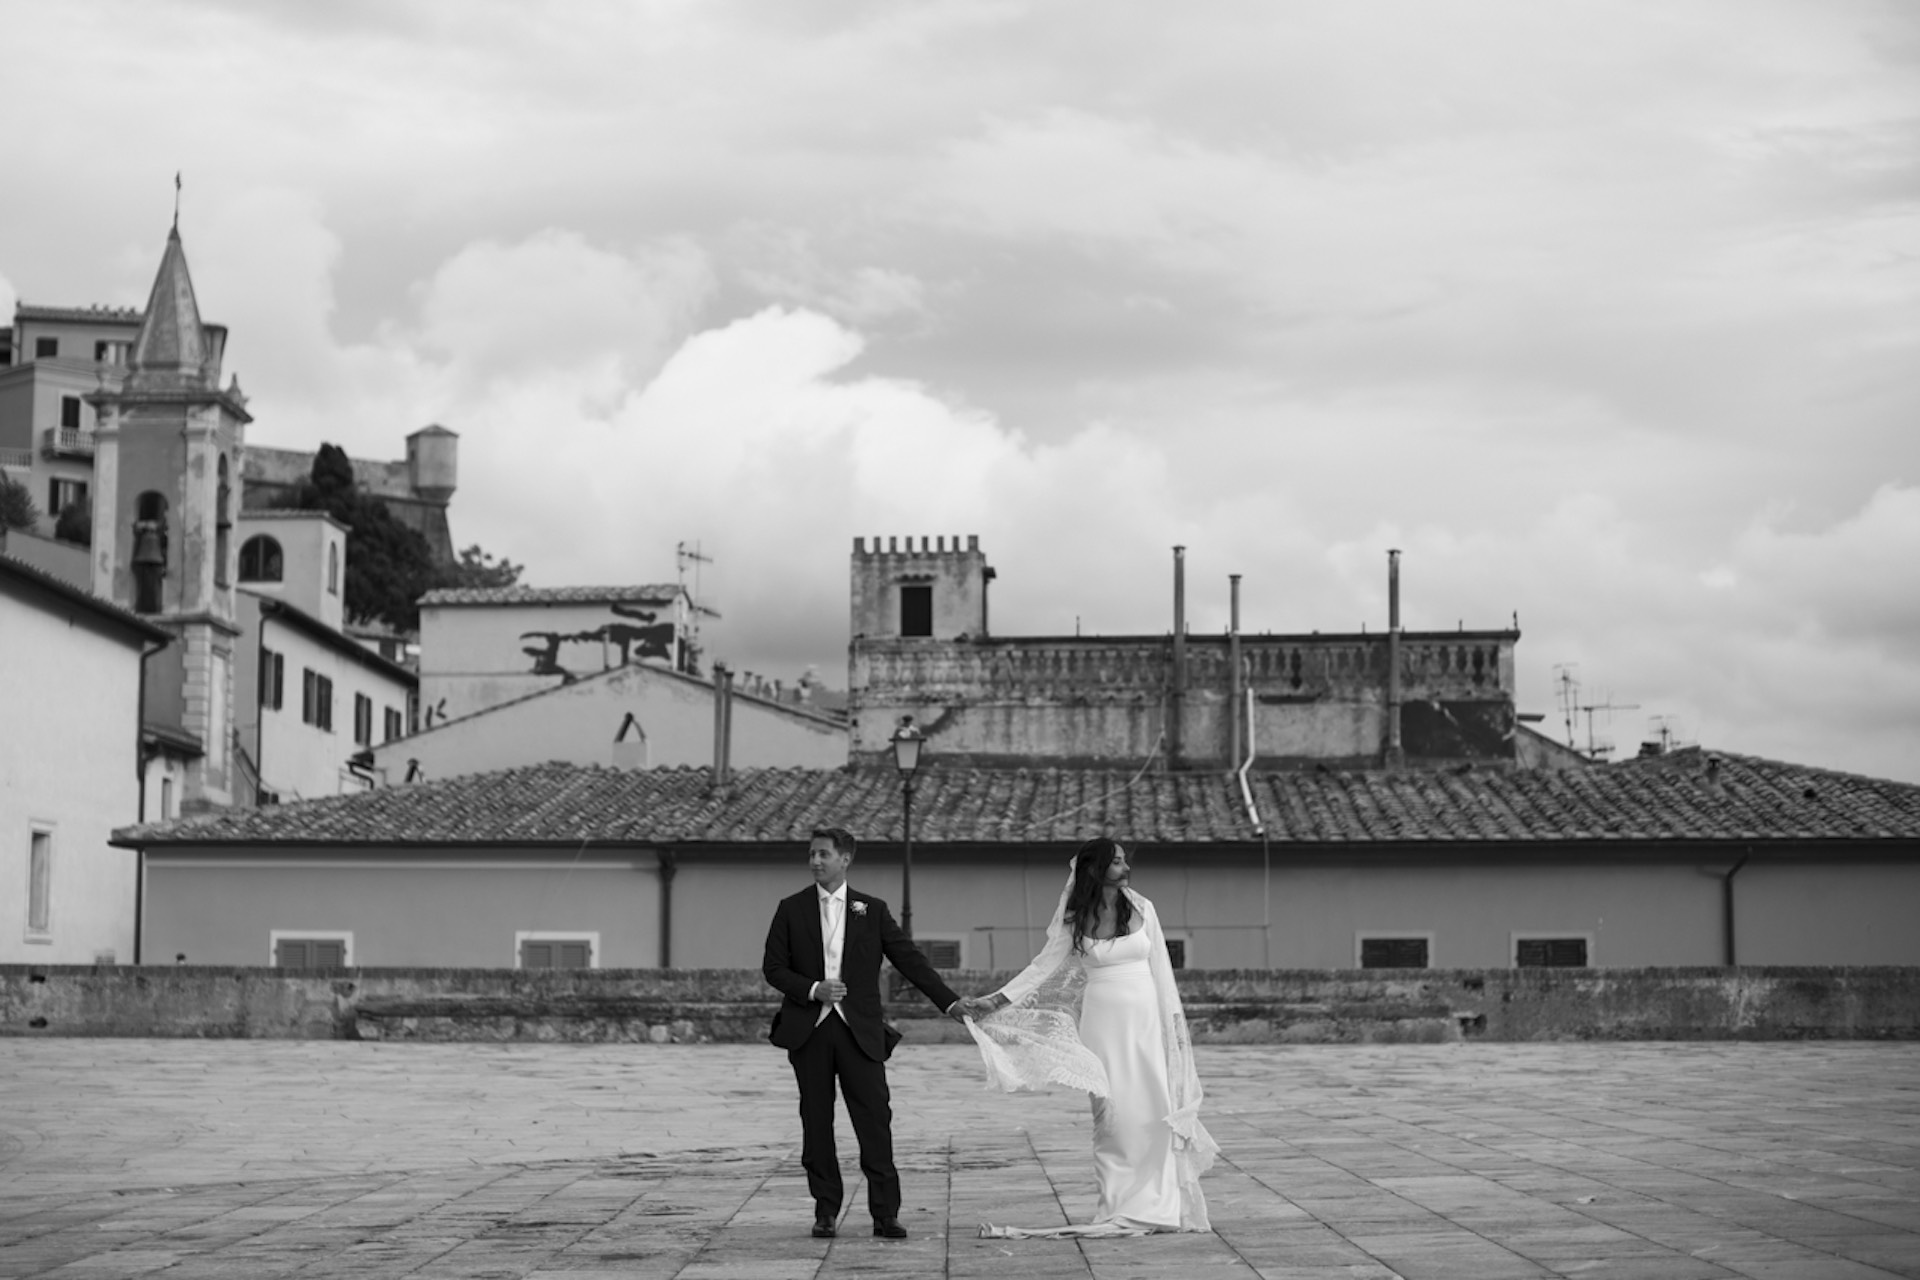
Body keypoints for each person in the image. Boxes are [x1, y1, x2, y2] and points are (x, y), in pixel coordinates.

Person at [958, 836, 1217, 1236]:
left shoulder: (1144, 909)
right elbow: (1042, 966)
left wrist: (1175, 1030)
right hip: (1103, 1023)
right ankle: (1116, 1204)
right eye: (1116, 861)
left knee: (1154, 1111)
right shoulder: (1075, 919)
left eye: (1124, 860)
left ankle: (1160, 1205)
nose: (1125, 866)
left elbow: (1163, 972)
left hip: (1147, 1020)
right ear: (1096, 869)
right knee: (1112, 1117)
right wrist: (995, 1001)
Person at [763, 825, 967, 1240]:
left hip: (861, 1032)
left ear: (845, 859)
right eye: (812, 854)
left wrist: (950, 1002)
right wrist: (812, 989)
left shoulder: (871, 910)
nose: (815, 861)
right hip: (810, 1032)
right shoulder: (791, 908)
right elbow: (773, 968)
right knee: (816, 1122)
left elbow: (910, 960)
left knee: (875, 1120)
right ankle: (825, 1210)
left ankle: (885, 1213)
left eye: (823, 854)